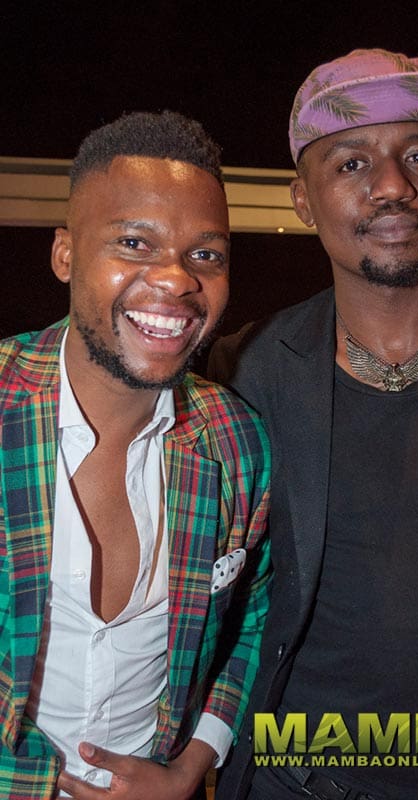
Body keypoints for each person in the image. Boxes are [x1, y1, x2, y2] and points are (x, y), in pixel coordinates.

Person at [209, 49, 418, 799]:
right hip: (294, 776)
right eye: (352, 163)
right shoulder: (240, 372)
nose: (393, 185)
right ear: (302, 199)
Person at [0, 110, 271, 800]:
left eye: (205, 255)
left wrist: (192, 764)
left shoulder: (236, 440)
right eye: (134, 242)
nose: (176, 279)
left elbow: (250, 615)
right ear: (65, 255)